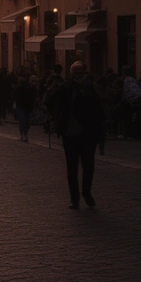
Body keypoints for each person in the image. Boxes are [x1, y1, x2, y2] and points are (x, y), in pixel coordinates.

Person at [57, 61, 104, 209]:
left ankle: (86, 193)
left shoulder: (91, 88)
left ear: (85, 72)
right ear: (71, 73)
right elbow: (56, 104)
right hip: (70, 133)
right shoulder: (65, 87)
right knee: (72, 167)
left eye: (80, 72)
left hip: (87, 134)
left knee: (88, 166)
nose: (78, 75)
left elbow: (98, 111)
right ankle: (74, 198)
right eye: (75, 72)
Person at [15, 74, 36, 142]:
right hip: (24, 107)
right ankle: (24, 134)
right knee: (24, 121)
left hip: (24, 107)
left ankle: (24, 134)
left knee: (24, 121)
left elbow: (32, 98)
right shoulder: (19, 89)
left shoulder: (28, 89)